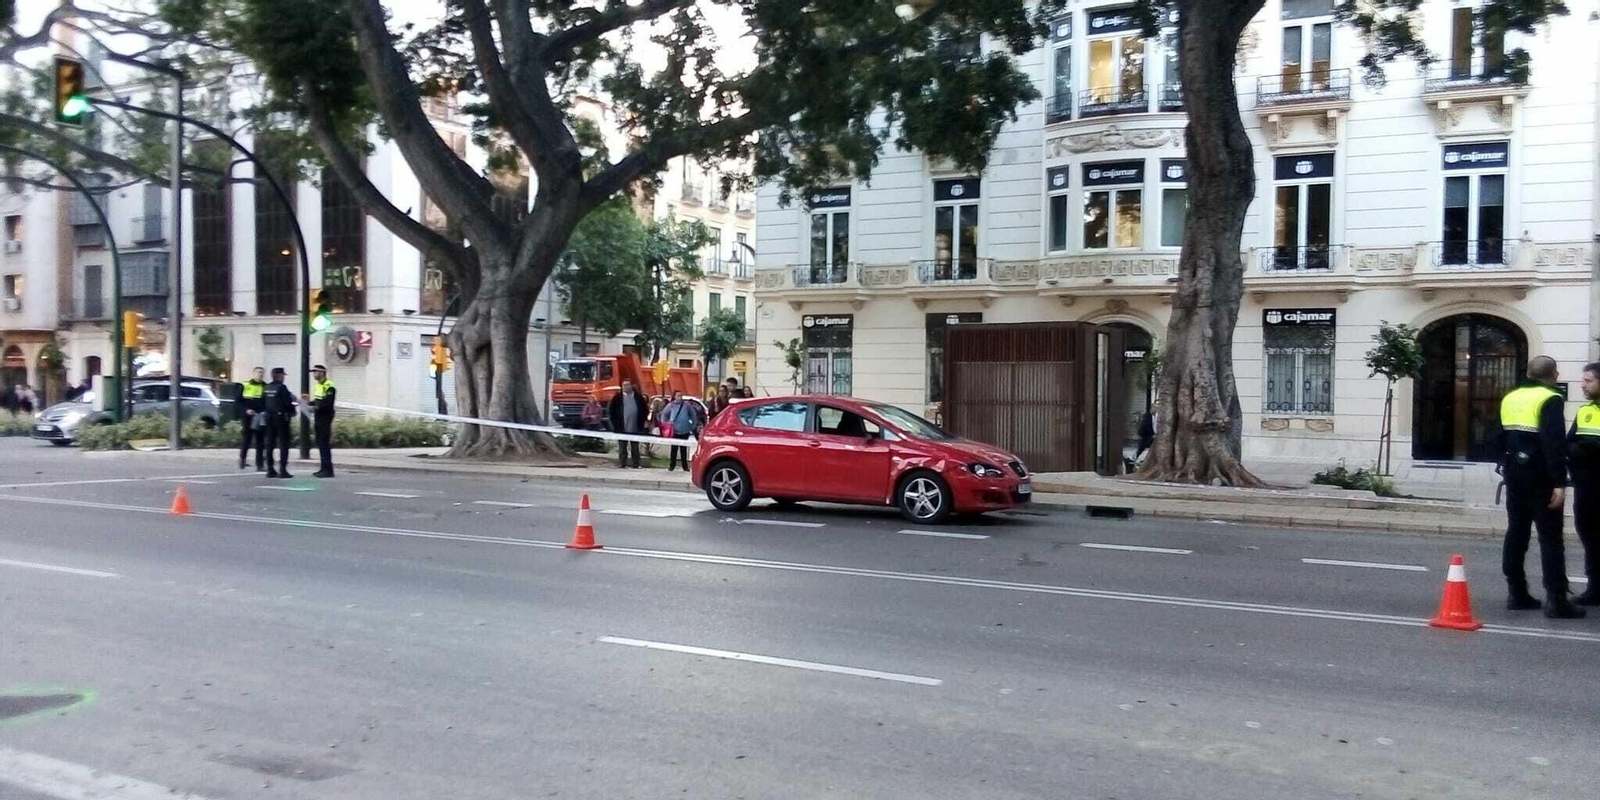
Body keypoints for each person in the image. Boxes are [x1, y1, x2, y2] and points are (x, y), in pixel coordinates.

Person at [1499, 355, 1583, 618]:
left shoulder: (1511, 397)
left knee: (1516, 532)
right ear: (1553, 375)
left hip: (1514, 473)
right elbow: (1553, 442)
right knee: (1550, 538)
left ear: (1528, 373)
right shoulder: (1551, 398)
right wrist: (1559, 481)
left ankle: (1516, 592)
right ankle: (1557, 599)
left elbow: (1499, 436)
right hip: (1541, 477)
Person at [1568, 362, 1600, 606]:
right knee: (1589, 536)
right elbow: (1569, 443)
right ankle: (1595, 587)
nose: (1583, 385)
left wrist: (1590, 449)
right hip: (1586, 487)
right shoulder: (1585, 411)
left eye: (1588, 381)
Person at [262, 367, 298, 479]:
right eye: (283, 375)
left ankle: (270, 469)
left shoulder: (267, 387)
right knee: (284, 444)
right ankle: (283, 470)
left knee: (270, 444)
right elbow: (287, 403)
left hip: (269, 417)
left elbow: (263, 402)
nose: (284, 377)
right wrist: (292, 411)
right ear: (280, 376)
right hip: (281, 418)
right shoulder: (282, 388)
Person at [305, 364, 337, 478]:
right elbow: (318, 399)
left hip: (325, 417)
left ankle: (328, 470)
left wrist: (315, 407)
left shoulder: (329, 386)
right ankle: (323, 468)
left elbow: (328, 403)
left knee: (324, 443)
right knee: (320, 443)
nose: (314, 374)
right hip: (318, 417)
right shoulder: (318, 385)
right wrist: (309, 403)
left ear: (322, 373)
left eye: (316, 372)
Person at [608, 379, 648, 468]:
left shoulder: (638, 397)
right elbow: (611, 412)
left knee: (635, 447)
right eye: (624, 385)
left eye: (627, 385)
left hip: (635, 427)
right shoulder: (617, 398)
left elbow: (645, 410)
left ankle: (636, 464)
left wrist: (643, 421)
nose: (626, 387)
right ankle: (622, 463)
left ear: (631, 386)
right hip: (621, 428)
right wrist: (614, 425)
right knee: (622, 447)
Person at [659, 390, 702, 472]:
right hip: (674, 430)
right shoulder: (671, 405)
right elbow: (664, 414)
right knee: (674, 449)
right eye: (678, 395)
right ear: (674, 396)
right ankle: (672, 465)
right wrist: (666, 424)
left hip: (684, 430)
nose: (680, 397)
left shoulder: (687, 405)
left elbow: (693, 414)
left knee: (683, 449)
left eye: (681, 395)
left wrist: (693, 425)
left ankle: (685, 466)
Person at [239, 366, 267, 472]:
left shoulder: (265, 386)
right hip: (248, 416)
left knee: (260, 441)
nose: (260, 374)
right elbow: (238, 401)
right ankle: (242, 459)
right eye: (258, 372)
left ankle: (260, 464)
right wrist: (246, 410)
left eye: (262, 372)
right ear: (253, 373)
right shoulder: (245, 385)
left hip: (260, 416)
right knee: (247, 439)